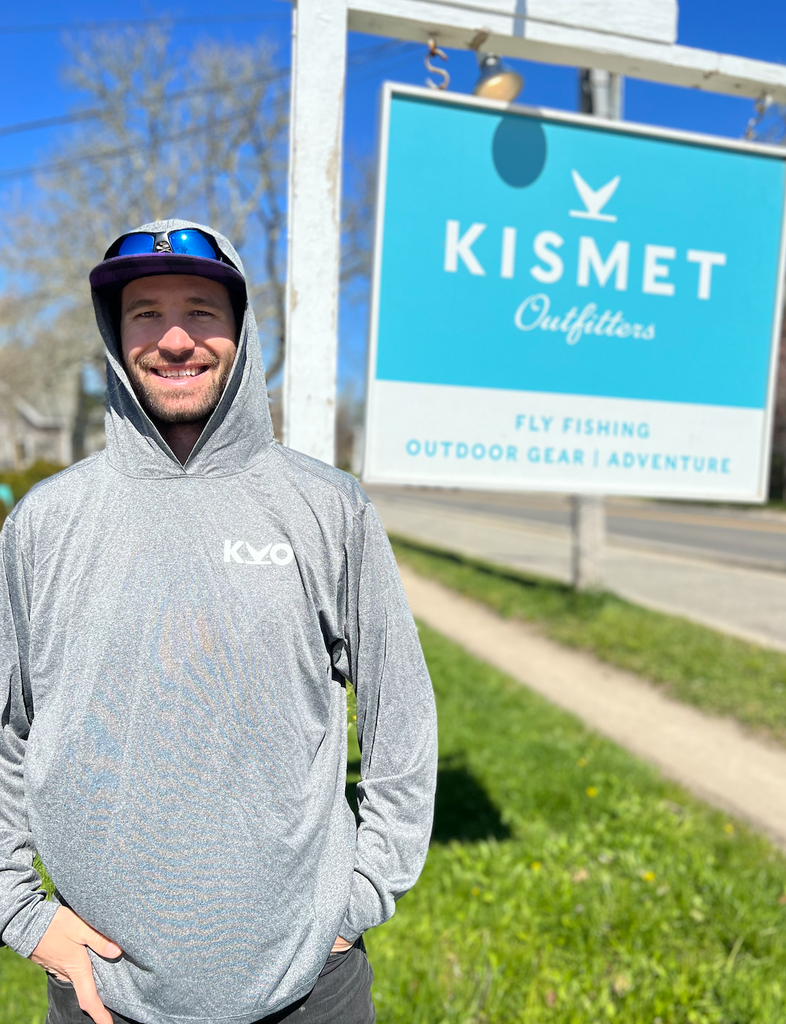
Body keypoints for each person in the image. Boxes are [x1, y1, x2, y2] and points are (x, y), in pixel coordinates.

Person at [0, 220, 438, 1024]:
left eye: (201, 311)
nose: (175, 339)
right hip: (102, 993)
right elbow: (6, 730)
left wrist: (363, 894)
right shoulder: (43, 524)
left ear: (241, 330)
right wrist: (20, 911)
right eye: (146, 314)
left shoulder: (328, 508)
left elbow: (400, 714)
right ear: (115, 333)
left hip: (310, 987)